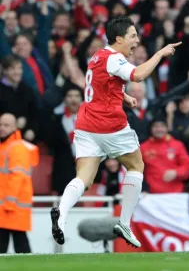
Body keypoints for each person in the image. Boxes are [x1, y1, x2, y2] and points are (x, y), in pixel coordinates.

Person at [50, 16, 181, 248]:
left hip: (86, 124)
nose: (137, 40)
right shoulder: (114, 58)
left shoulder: (97, 56)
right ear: (119, 38)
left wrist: (124, 96)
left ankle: (61, 213)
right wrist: (160, 54)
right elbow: (138, 75)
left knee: (84, 178)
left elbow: (103, 85)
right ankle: (124, 222)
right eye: (133, 36)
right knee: (136, 166)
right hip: (110, 125)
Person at [0, 113, 39, 253]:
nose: (2, 128)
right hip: (9, 208)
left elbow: (17, 177)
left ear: (15, 127)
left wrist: (9, 204)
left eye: (6, 125)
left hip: (12, 208)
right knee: (20, 245)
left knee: (19, 245)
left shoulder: (16, 148)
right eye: (0, 124)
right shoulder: (7, 146)